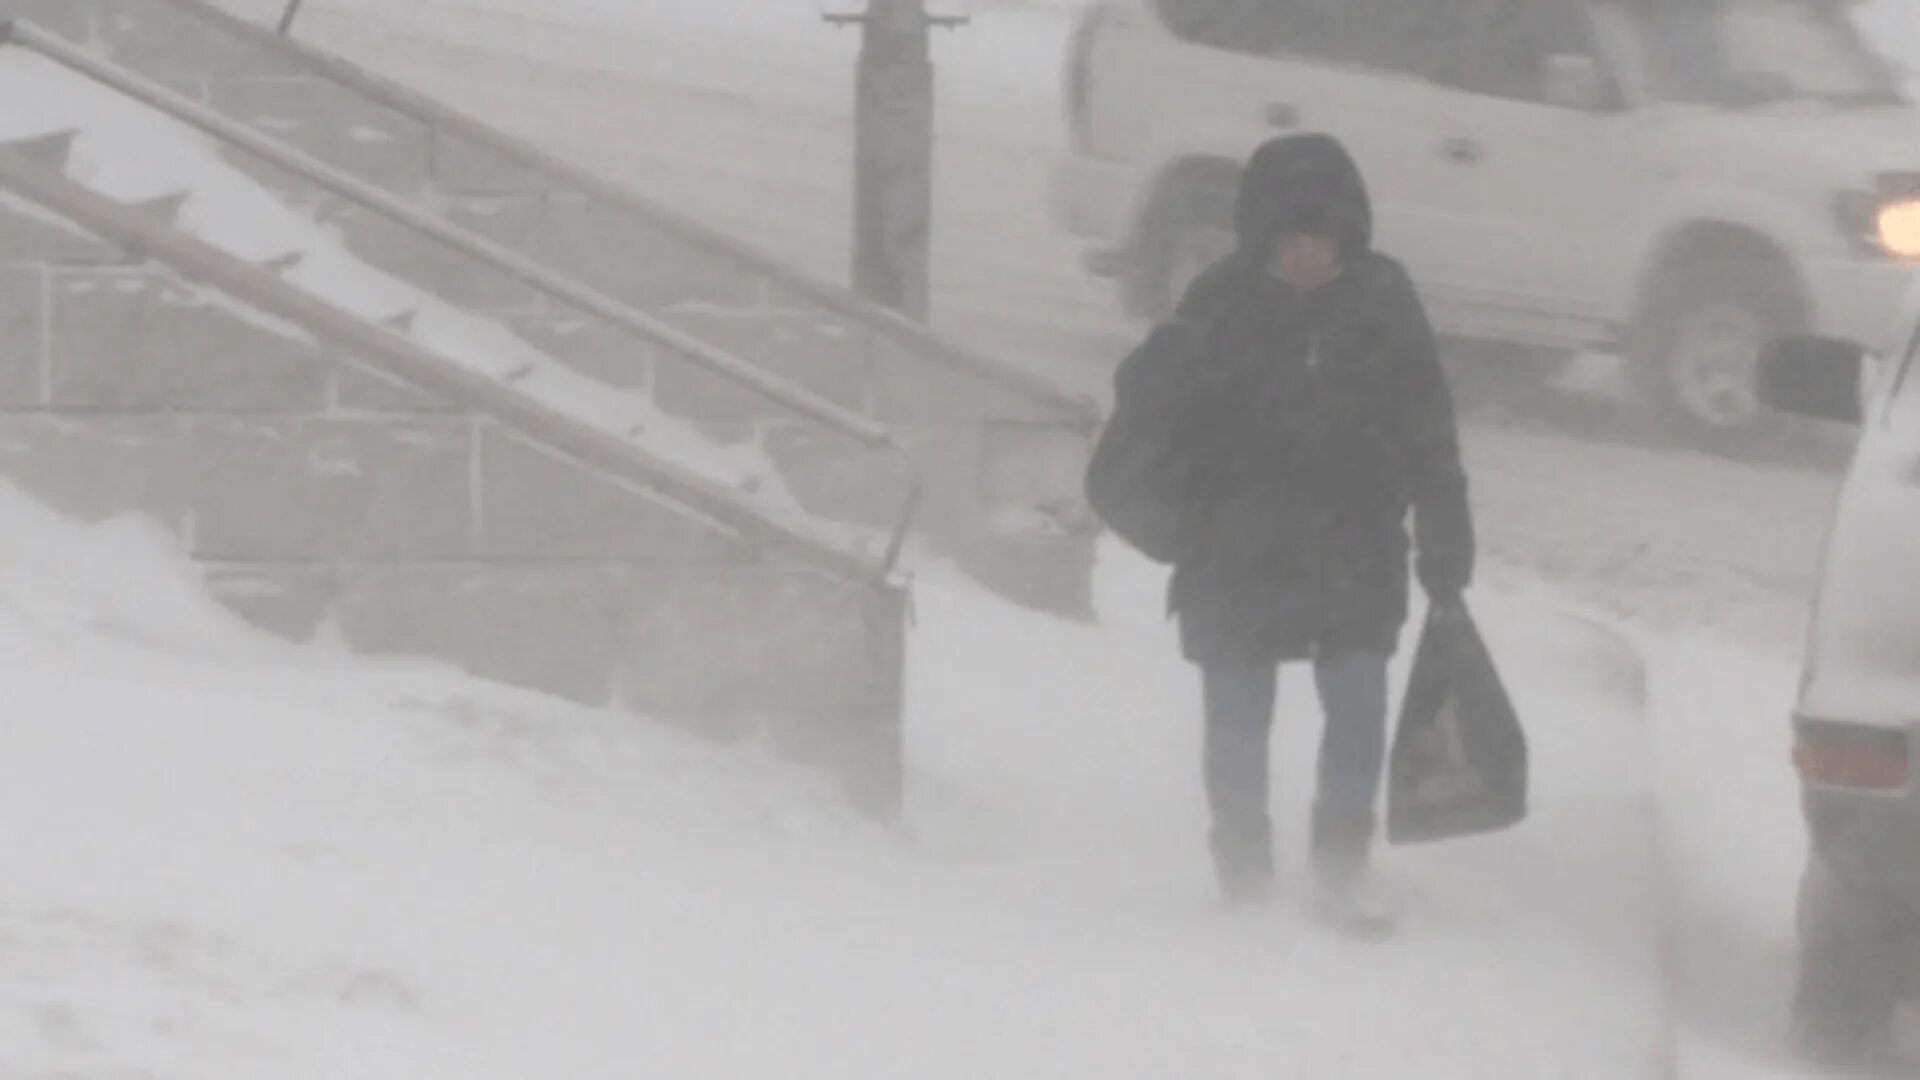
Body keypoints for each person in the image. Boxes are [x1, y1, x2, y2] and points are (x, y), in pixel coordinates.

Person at [1127, 133, 1476, 922]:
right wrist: (1176, 512)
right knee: (1239, 715)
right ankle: (1243, 873)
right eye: (1294, 241)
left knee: (1356, 703)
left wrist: (1445, 529)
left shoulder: (1384, 301)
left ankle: (1339, 865)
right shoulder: (1218, 301)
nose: (1311, 257)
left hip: (1354, 545)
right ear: (1264, 238)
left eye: (1326, 241)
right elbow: (1164, 425)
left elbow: (1429, 428)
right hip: (1238, 549)